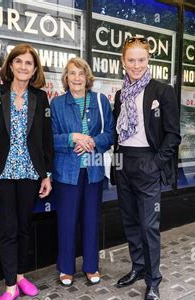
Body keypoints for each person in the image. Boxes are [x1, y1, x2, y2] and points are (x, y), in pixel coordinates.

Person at [0, 44, 53, 300]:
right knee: (7, 229)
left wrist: (47, 175)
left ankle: (20, 275)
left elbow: (45, 140)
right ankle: (10, 286)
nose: (23, 67)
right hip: (3, 174)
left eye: (29, 63)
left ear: (35, 69)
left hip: (31, 174)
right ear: (10, 66)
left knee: (23, 227)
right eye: (18, 62)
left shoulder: (40, 98)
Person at [113, 37, 181, 300]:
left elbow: (173, 135)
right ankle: (138, 267)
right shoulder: (120, 94)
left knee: (148, 226)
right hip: (123, 162)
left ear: (149, 60)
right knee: (130, 222)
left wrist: (155, 163)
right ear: (123, 61)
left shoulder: (162, 92)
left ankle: (153, 282)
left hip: (147, 163)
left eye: (141, 59)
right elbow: (117, 134)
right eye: (131, 59)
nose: (136, 65)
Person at [51, 57, 114, 286]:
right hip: (66, 172)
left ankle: (91, 266)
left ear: (87, 77)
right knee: (67, 221)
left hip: (94, 171)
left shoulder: (100, 101)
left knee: (91, 220)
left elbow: (110, 134)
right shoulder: (57, 104)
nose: (77, 78)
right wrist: (72, 138)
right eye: (72, 73)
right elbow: (49, 137)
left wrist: (93, 141)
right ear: (66, 78)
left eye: (81, 73)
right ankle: (66, 268)